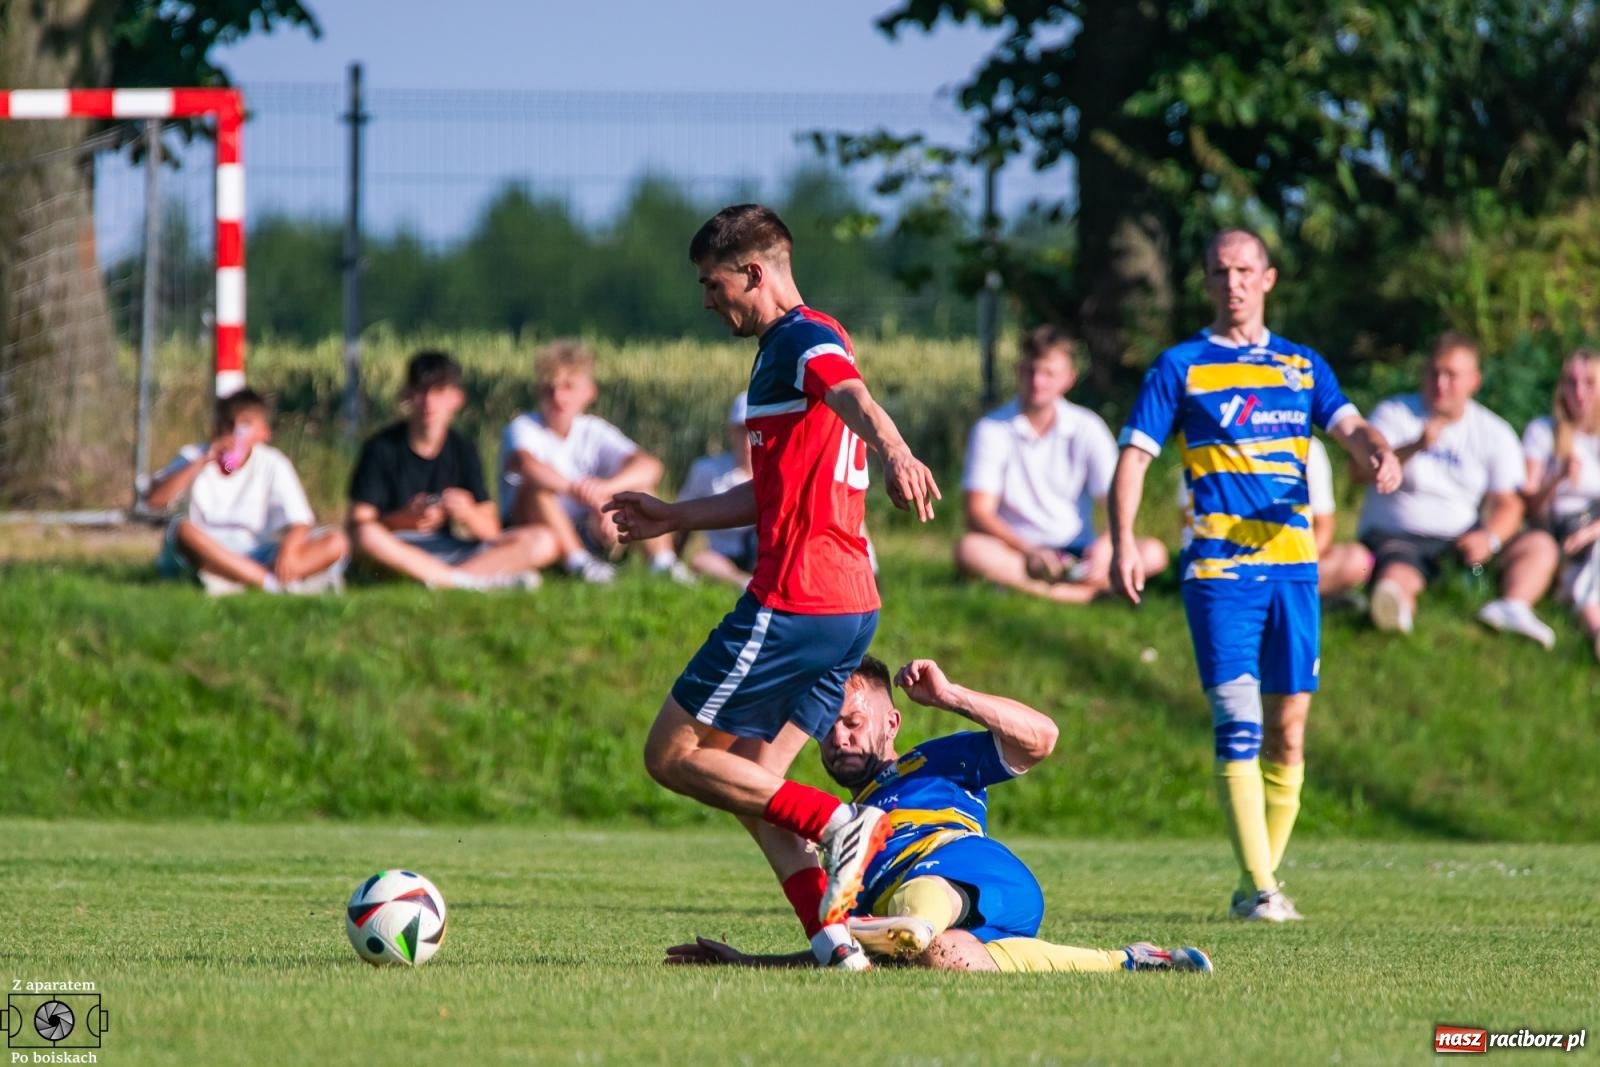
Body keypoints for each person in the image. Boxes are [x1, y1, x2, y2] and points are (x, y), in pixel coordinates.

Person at [604, 204, 941, 969]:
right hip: (850, 606)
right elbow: (774, 490)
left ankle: (837, 821)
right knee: (752, 783)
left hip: (795, 598)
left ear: (753, 272)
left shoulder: (800, 336)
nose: (706, 300)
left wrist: (894, 447)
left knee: (671, 753)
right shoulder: (793, 348)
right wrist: (676, 516)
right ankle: (835, 943)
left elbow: (851, 392)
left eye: (712, 282)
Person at [1109, 228, 1401, 922]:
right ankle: (1262, 886)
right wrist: (1122, 538)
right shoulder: (1180, 366)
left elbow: (1351, 426)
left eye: (1244, 269)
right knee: (1237, 718)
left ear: (1268, 278)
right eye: (1219, 271)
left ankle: (1253, 887)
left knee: (1290, 730)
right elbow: (1134, 456)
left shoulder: (1303, 367)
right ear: (1206, 282)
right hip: (1219, 572)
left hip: (1294, 571)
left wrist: (1378, 451)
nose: (1232, 282)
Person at [664, 655, 1213, 974]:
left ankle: (917, 922)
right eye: (826, 727)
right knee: (945, 960)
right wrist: (749, 962)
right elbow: (837, 947)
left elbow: (1042, 737)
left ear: (892, 722)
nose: (839, 737)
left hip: (973, 870)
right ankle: (1132, 960)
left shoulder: (939, 760)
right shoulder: (828, 820)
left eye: (853, 721)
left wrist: (951, 696)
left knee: (916, 917)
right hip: (938, 931)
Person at [956, 325, 1168, 603]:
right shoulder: (991, 429)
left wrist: (1106, 544)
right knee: (970, 549)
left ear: (1069, 379)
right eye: (1031, 371)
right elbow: (978, 513)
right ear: (1019, 371)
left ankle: (1043, 588)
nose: (1037, 382)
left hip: (1080, 549)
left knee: (1154, 552)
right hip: (1018, 549)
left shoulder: (1088, 426)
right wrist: (1029, 551)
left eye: (1048, 373)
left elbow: (1115, 498)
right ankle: (1087, 594)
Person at [1356, 333, 1538, 642]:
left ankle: (1513, 607)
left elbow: (1510, 504)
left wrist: (1490, 539)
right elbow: (1359, 472)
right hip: (1397, 535)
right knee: (1399, 570)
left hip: (1460, 541)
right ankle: (1395, 609)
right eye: (1434, 373)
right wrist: (1414, 447)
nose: (1440, 384)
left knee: (1537, 545)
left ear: (1474, 381)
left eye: (1451, 376)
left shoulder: (1494, 432)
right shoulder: (1394, 414)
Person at [348, 350, 558, 590]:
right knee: (367, 536)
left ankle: (451, 579)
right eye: (421, 392)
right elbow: (357, 525)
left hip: (448, 547)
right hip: (398, 546)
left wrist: (467, 513)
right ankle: (470, 581)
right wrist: (404, 519)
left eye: (439, 392)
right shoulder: (381, 447)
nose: (429, 402)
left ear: (457, 399)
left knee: (544, 540)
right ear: (407, 395)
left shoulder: (463, 448)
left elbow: (491, 529)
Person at [498, 339, 692, 584]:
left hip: (590, 525)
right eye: (550, 388)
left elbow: (650, 466)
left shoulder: (593, 429)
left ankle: (663, 563)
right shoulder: (522, 428)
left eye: (568, 387)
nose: (559, 397)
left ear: (589, 392)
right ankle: (578, 561)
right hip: (537, 528)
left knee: (641, 489)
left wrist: (606, 491)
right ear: (538, 391)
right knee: (536, 490)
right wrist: (581, 490)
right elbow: (526, 466)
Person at [149, 388, 348, 595]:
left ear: (263, 432)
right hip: (208, 549)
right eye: (228, 424)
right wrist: (202, 461)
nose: (235, 432)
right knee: (182, 531)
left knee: (335, 542)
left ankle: (247, 578)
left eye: (245, 425)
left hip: (257, 551)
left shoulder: (273, 463)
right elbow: (155, 501)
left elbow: (300, 520)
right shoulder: (193, 456)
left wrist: (288, 551)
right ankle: (269, 584)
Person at [1180, 435, 1373, 600]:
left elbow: (1324, 526)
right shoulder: (1209, 447)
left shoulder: (1308, 448)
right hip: (1228, 563)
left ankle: (1292, 594)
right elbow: (1190, 526)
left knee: (1357, 560)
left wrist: (1293, 565)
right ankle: (1304, 597)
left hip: (1292, 560)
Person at [1505, 349, 1600, 659]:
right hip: (1555, 530)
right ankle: (1594, 622)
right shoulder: (1542, 432)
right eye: (1571, 383)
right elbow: (1529, 505)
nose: (1579, 392)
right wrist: (1557, 478)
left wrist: (1590, 533)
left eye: (1589, 383)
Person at [677, 392, 759, 588]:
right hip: (723, 557)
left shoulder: (783, 472)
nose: (748, 440)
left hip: (764, 554)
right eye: (742, 431)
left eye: (755, 431)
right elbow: (682, 519)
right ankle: (744, 583)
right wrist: (674, 557)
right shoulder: (706, 471)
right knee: (701, 561)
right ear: (730, 432)